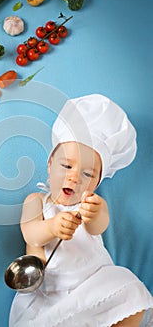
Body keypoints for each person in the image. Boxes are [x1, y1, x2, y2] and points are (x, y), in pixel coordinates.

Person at [9, 94, 153, 327]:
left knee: (128, 288)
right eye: (66, 165)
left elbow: (98, 226)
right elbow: (31, 234)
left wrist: (95, 214)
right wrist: (52, 226)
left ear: (96, 182)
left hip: (95, 284)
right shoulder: (35, 201)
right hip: (49, 294)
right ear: (49, 164)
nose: (74, 177)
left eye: (87, 174)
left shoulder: (92, 204)